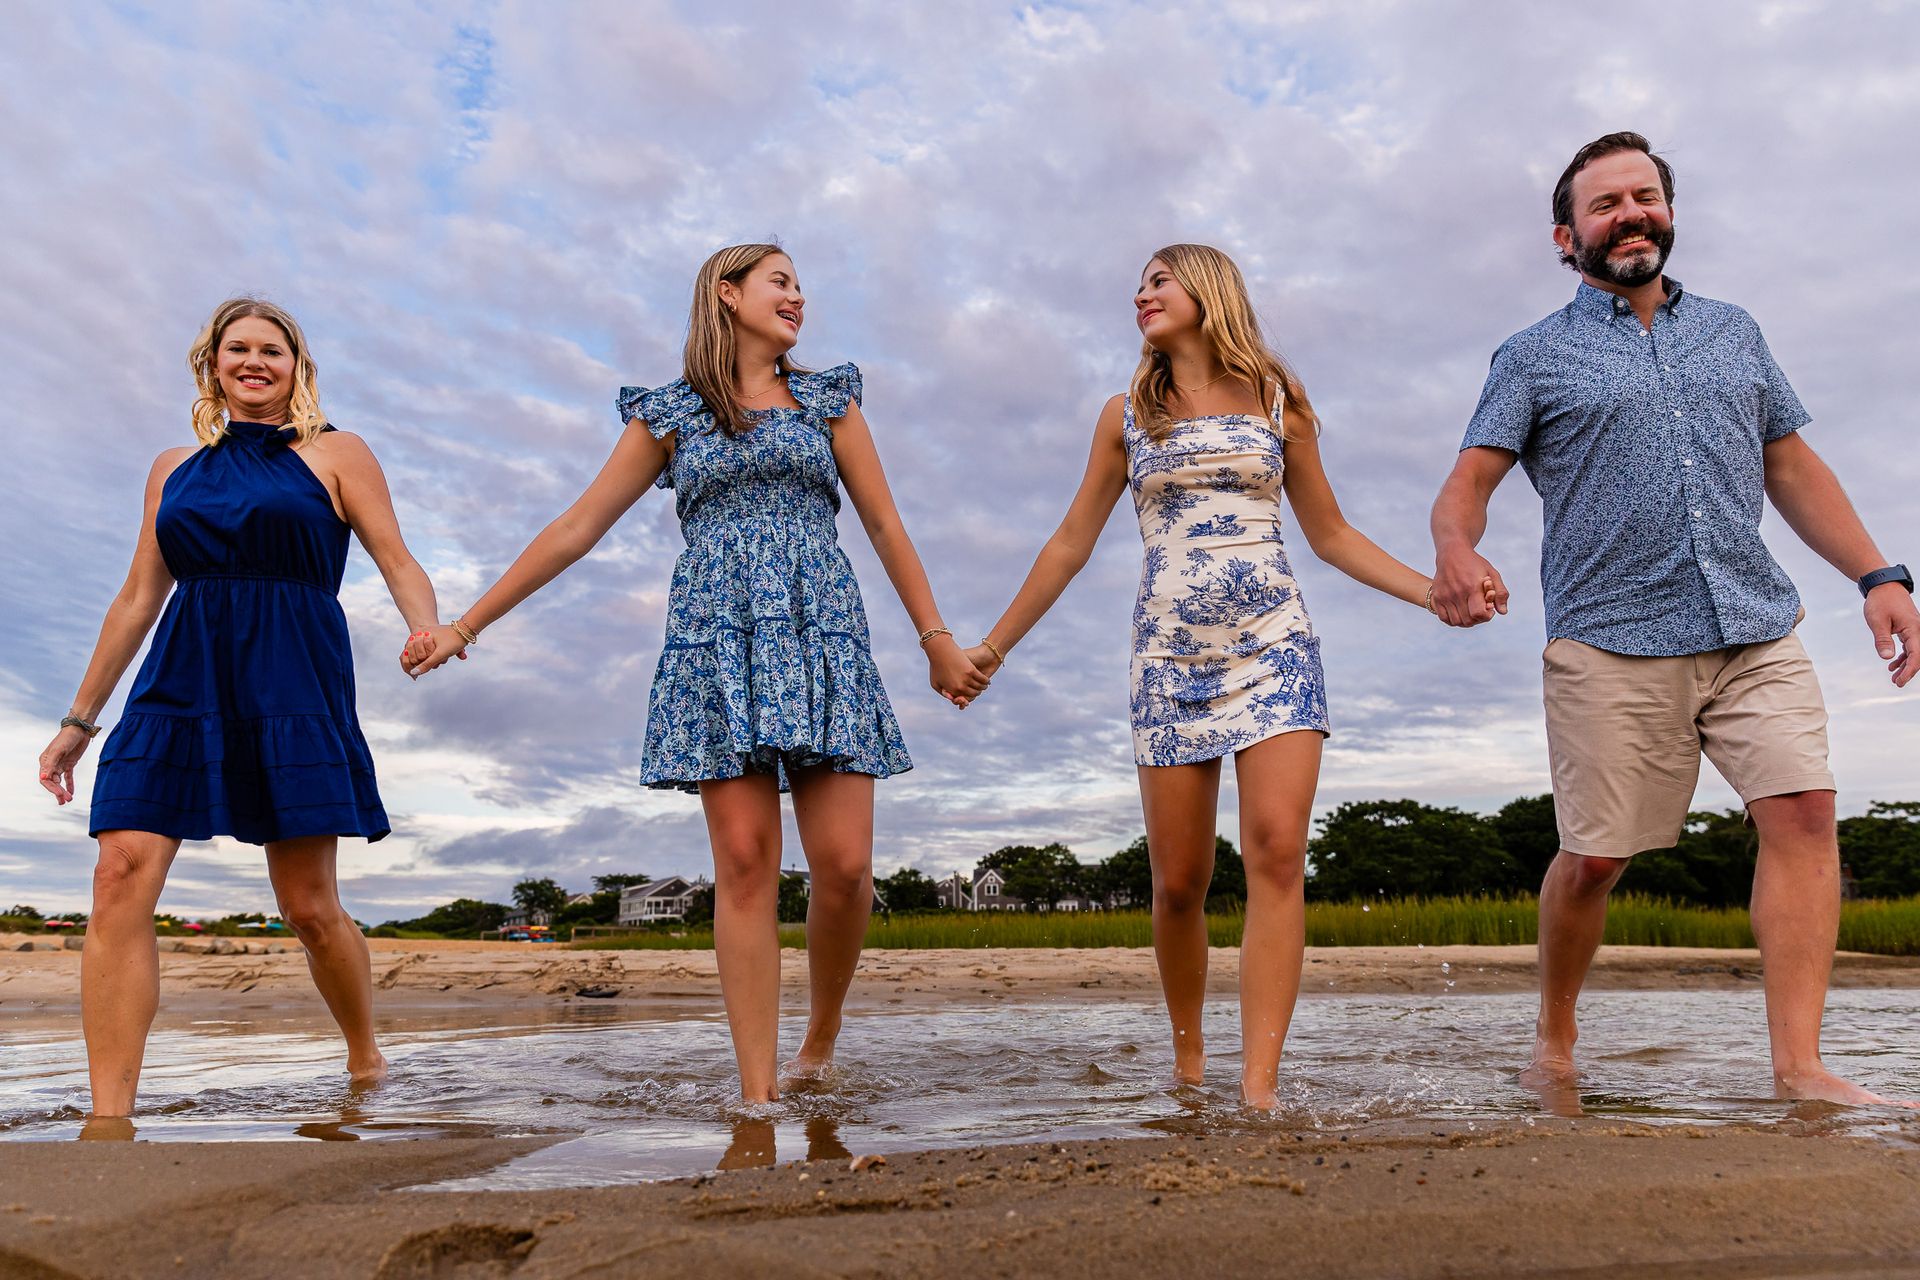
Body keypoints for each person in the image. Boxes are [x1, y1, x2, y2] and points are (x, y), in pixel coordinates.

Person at [405, 243, 985, 1102]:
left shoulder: (828, 401)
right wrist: (466, 624)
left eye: (800, 285)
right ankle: (757, 1094)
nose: (798, 296)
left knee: (845, 868)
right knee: (745, 863)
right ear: (727, 293)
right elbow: (576, 527)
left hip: (820, 633)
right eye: (780, 281)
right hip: (718, 640)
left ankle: (820, 1034)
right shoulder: (670, 413)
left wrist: (936, 636)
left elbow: (885, 525)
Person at [1430, 131, 1919, 1105]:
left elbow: (1790, 466)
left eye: (1644, 197)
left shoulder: (1735, 331)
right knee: (1595, 857)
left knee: (1805, 812)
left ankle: (1801, 1068)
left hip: (1753, 624)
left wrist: (1878, 574)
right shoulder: (1531, 356)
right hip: (1609, 637)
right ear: (1566, 236)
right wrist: (1455, 549)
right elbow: (1467, 484)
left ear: (1668, 210)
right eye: (1605, 204)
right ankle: (1555, 1037)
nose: (1630, 216)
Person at [962, 244, 1450, 1108]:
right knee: (1180, 883)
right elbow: (1069, 543)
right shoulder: (1126, 415)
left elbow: (1332, 534)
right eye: (1138, 285)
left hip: (1276, 648)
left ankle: (1259, 1088)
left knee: (1277, 853)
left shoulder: (1278, 398)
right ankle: (1190, 1066)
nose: (1141, 294)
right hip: (1168, 661)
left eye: (1159, 279)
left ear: (1208, 288)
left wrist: (1431, 591)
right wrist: (993, 649)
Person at [37, 297, 441, 1116]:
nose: (254, 361)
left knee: (308, 907)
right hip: (180, 676)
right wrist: (79, 721)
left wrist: (425, 626)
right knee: (117, 873)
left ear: (298, 366)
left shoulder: (337, 453)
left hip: (293, 677)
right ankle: (109, 1119)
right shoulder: (172, 468)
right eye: (238, 349)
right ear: (212, 365)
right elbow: (138, 596)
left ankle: (365, 1056)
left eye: (272, 350)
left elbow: (396, 558)